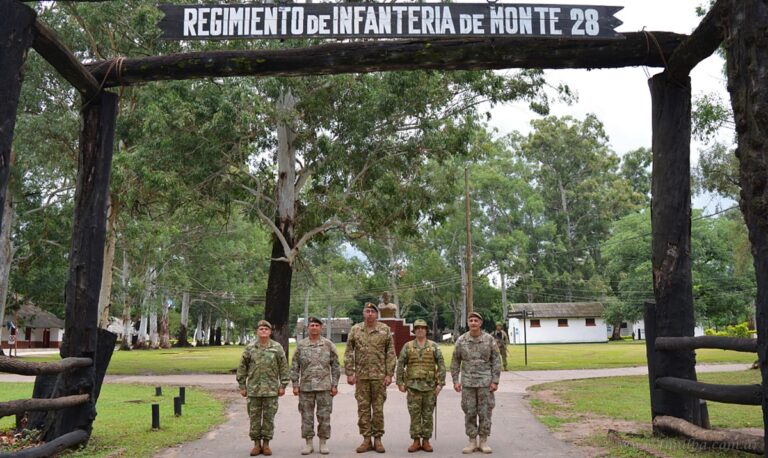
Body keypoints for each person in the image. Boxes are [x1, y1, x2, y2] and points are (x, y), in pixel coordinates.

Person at [344, 302, 396, 453]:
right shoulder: (356, 330)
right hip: (362, 376)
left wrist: (389, 373)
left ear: (377, 314)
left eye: (373, 311)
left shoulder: (384, 330)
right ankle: (366, 439)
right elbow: (348, 351)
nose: (370, 314)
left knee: (378, 409)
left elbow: (390, 353)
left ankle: (378, 439)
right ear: (363, 313)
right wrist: (349, 372)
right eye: (367, 311)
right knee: (363, 409)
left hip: (379, 376)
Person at [451, 312, 501, 454]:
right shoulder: (461, 340)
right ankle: (472, 441)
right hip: (467, 383)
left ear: (480, 323)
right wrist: (455, 380)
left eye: (476, 320)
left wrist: (495, 381)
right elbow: (455, 361)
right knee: (469, 412)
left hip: (485, 383)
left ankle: (483, 441)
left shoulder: (489, 339)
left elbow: (496, 360)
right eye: (471, 320)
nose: (473, 323)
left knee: (485, 412)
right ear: (468, 323)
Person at [236, 320, 289, 456]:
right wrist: (242, 386)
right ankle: (256, 444)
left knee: (268, 418)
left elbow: (283, 367)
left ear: (270, 332)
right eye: (261, 329)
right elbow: (242, 368)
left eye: (266, 329)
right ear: (257, 332)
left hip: (271, 390)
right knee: (254, 418)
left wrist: (283, 385)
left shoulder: (277, 348)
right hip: (253, 390)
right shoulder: (250, 348)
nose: (264, 331)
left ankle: (266, 444)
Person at [291, 317, 341, 455]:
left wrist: (335, 385)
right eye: (311, 325)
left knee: (324, 416)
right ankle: (308, 443)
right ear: (308, 328)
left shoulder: (328, 345)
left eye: (316, 325)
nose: (314, 327)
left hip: (324, 387)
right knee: (306, 416)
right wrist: (295, 385)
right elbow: (295, 366)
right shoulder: (301, 345)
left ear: (321, 328)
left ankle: (323, 442)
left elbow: (336, 366)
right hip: (306, 388)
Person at [396, 319, 446, 453]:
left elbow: (441, 365)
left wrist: (440, 384)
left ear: (426, 330)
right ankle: (416, 440)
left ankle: (426, 441)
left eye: (423, 328)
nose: (420, 330)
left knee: (428, 415)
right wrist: (400, 382)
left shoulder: (434, 346)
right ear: (414, 330)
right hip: (413, 387)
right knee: (415, 415)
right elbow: (401, 364)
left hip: (430, 387)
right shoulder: (408, 346)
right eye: (417, 328)